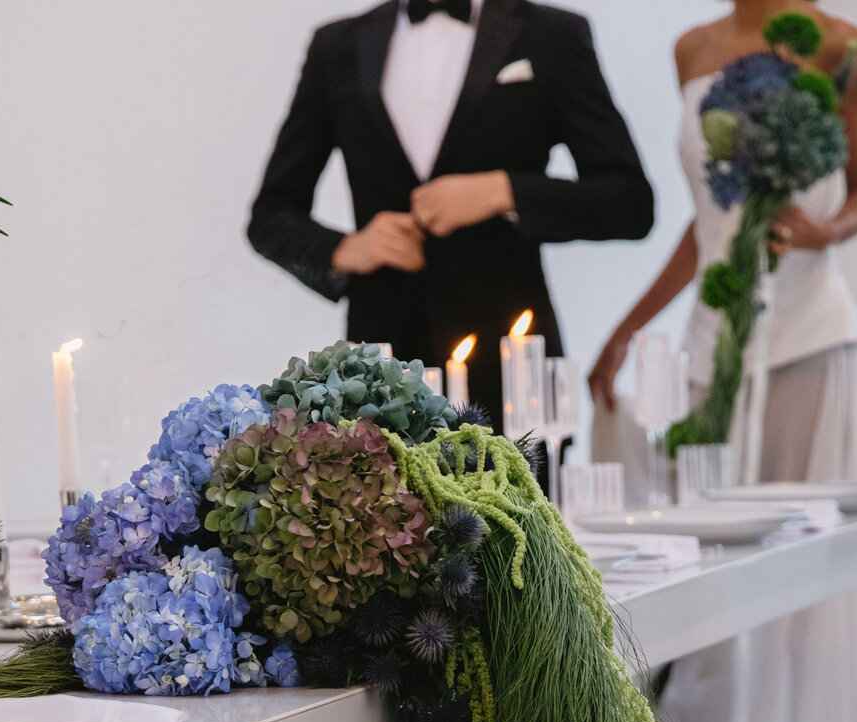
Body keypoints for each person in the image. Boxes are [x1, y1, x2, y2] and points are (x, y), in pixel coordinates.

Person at [589, 1, 857, 722]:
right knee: (721, 578)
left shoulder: (843, 43)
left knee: (815, 582)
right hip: (717, 345)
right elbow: (709, 227)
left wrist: (827, 228)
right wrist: (628, 326)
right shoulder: (691, 49)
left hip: (812, 334)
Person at [249, 0, 654, 434]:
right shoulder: (338, 45)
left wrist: (503, 190)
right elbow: (271, 216)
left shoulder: (552, 34)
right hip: (381, 381)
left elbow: (630, 202)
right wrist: (347, 248)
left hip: (511, 372)